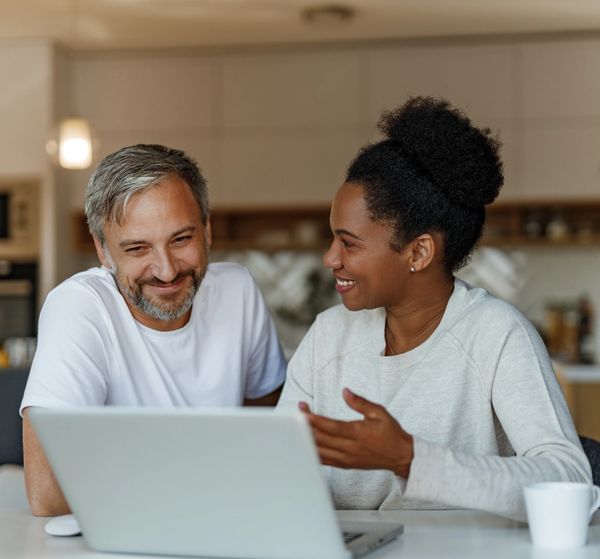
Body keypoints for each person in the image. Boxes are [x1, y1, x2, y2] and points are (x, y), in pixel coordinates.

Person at [277, 96, 592, 521]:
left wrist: (411, 460)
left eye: (348, 243)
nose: (329, 258)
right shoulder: (328, 335)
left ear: (419, 251)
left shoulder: (496, 335)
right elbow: (280, 469)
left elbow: (569, 479)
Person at [21, 144, 286, 516]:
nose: (166, 270)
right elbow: (48, 494)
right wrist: (216, 476)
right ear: (103, 249)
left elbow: (271, 436)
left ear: (207, 230)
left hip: (224, 525)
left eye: (181, 239)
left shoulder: (237, 290)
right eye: (137, 249)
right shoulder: (79, 307)